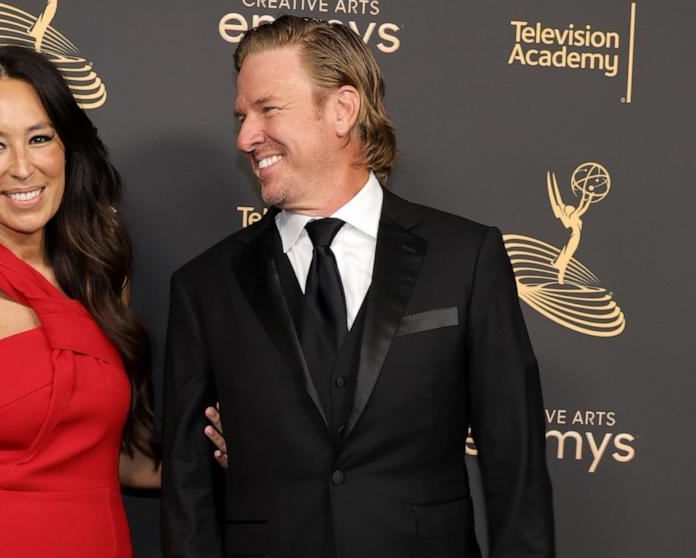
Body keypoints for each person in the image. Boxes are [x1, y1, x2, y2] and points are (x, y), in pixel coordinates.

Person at [161, 16, 554, 558]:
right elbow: (189, 491)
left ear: (342, 110)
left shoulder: (465, 257)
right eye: (242, 116)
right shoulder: (205, 285)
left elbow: (518, 468)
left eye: (268, 109)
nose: (246, 137)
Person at [0, 46, 223, 558]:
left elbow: (115, 456)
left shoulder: (97, 280)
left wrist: (243, 448)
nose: (22, 168)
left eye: (39, 139)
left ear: (65, 149)